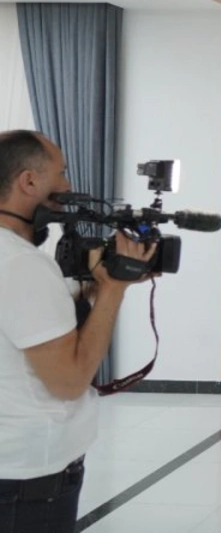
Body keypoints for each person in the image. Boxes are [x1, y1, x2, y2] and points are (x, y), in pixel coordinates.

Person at [0, 130, 156, 531]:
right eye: (61, 173)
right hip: (28, 478)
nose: (67, 187)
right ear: (29, 181)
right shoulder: (21, 264)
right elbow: (69, 381)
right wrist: (114, 290)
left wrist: (96, 289)